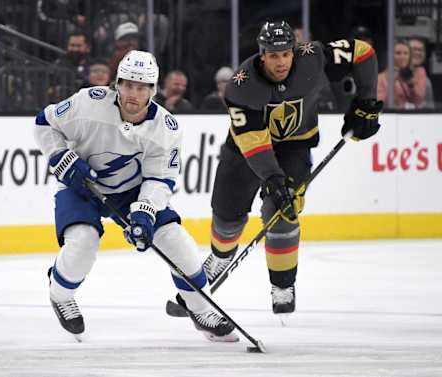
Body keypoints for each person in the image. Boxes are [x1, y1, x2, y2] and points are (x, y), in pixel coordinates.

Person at [34, 50, 238, 342]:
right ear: (117, 84)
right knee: (83, 243)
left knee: (177, 241)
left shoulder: (166, 128)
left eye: (142, 87)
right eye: (128, 84)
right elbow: (44, 123)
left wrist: (144, 209)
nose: (133, 93)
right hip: (81, 184)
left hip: (131, 190)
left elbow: (160, 178)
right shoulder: (88, 102)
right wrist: (60, 156)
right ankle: (60, 293)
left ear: (154, 90)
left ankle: (199, 308)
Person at [201, 21, 382, 316]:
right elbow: (253, 140)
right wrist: (273, 178)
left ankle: (283, 284)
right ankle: (221, 255)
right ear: (262, 55)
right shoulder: (241, 85)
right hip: (246, 149)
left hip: (295, 146)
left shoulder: (314, 57)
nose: (281, 61)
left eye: (285, 54)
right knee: (226, 213)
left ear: (294, 51)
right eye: (273, 55)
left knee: (282, 210)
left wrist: (367, 103)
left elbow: (363, 53)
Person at [378, 39, 427, 109]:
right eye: (398, 53)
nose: (402, 57)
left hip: (413, 116)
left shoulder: (419, 73)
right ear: (390, 55)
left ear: (410, 56)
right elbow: (380, 103)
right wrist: (391, 81)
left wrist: (411, 85)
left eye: (406, 53)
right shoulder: (380, 78)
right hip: (390, 116)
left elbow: (419, 101)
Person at [409, 37, 434, 109]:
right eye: (413, 49)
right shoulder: (390, 77)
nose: (417, 53)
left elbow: (430, 110)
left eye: (421, 50)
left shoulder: (426, 81)